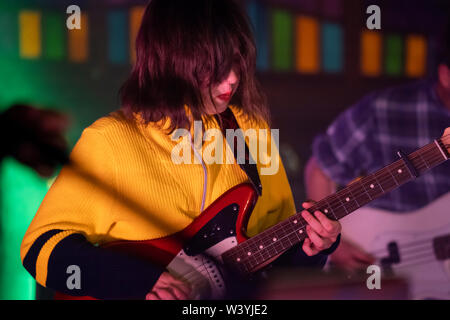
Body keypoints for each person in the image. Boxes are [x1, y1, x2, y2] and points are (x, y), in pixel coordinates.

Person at [20, 0, 341, 300]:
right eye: (213, 67)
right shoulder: (111, 139)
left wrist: (314, 247)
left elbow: (274, 265)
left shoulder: (251, 134)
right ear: (171, 62)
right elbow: (41, 249)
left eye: (236, 62)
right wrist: (139, 279)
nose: (231, 79)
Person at [305, 27, 450, 273]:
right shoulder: (383, 108)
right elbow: (320, 168)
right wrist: (335, 247)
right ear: (446, 75)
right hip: (383, 264)